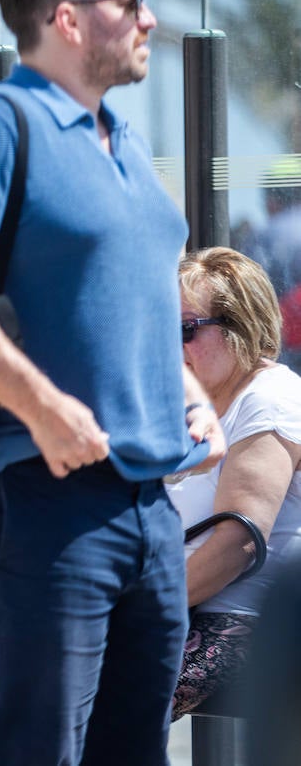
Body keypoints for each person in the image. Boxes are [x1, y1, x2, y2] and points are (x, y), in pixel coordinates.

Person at [0, 0, 226, 765]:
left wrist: (187, 394)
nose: (149, 19)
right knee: (39, 750)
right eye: (131, 2)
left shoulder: (125, 140)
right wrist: (40, 406)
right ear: (68, 20)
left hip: (148, 508)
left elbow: (147, 278)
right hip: (41, 499)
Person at [168, 247, 301, 718]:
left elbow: (236, 544)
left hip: (241, 619)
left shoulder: (269, 399)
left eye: (184, 329)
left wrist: (138, 604)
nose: (171, 346)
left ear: (240, 325)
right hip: (177, 608)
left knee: (97, 709)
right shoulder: (195, 401)